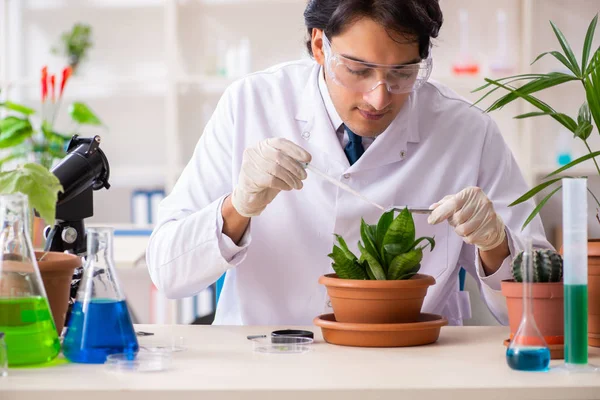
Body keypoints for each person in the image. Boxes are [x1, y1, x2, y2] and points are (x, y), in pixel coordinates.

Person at [146, 0, 552, 326]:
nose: (379, 97)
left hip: (413, 370)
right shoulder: (251, 104)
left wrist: (497, 244)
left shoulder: (467, 131)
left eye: (402, 73)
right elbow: (168, 273)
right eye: (358, 70)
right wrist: (238, 207)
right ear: (320, 45)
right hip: (269, 368)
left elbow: (542, 312)